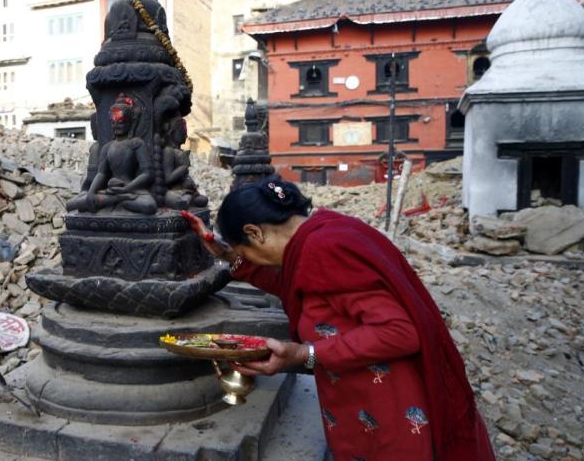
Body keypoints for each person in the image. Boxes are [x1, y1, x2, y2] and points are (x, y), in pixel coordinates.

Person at [182, 177, 495, 461]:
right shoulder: (325, 231)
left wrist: (306, 354)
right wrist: (226, 254)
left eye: (244, 250)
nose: (246, 258)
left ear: (255, 232)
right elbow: (304, 285)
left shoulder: (324, 248)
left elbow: (400, 330)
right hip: (368, 403)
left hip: (390, 410)